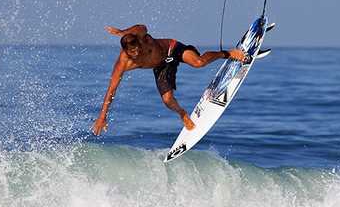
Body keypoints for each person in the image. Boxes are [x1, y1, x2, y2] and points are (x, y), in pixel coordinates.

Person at [91, 24, 246, 135]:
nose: (136, 54)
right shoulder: (122, 63)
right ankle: (182, 113)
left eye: (138, 49)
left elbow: (142, 27)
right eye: (132, 52)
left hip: (172, 49)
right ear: (125, 51)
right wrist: (102, 117)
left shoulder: (141, 38)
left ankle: (227, 54)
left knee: (198, 62)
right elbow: (111, 90)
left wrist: (122, 31)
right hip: (161, 66)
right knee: (167, 100)